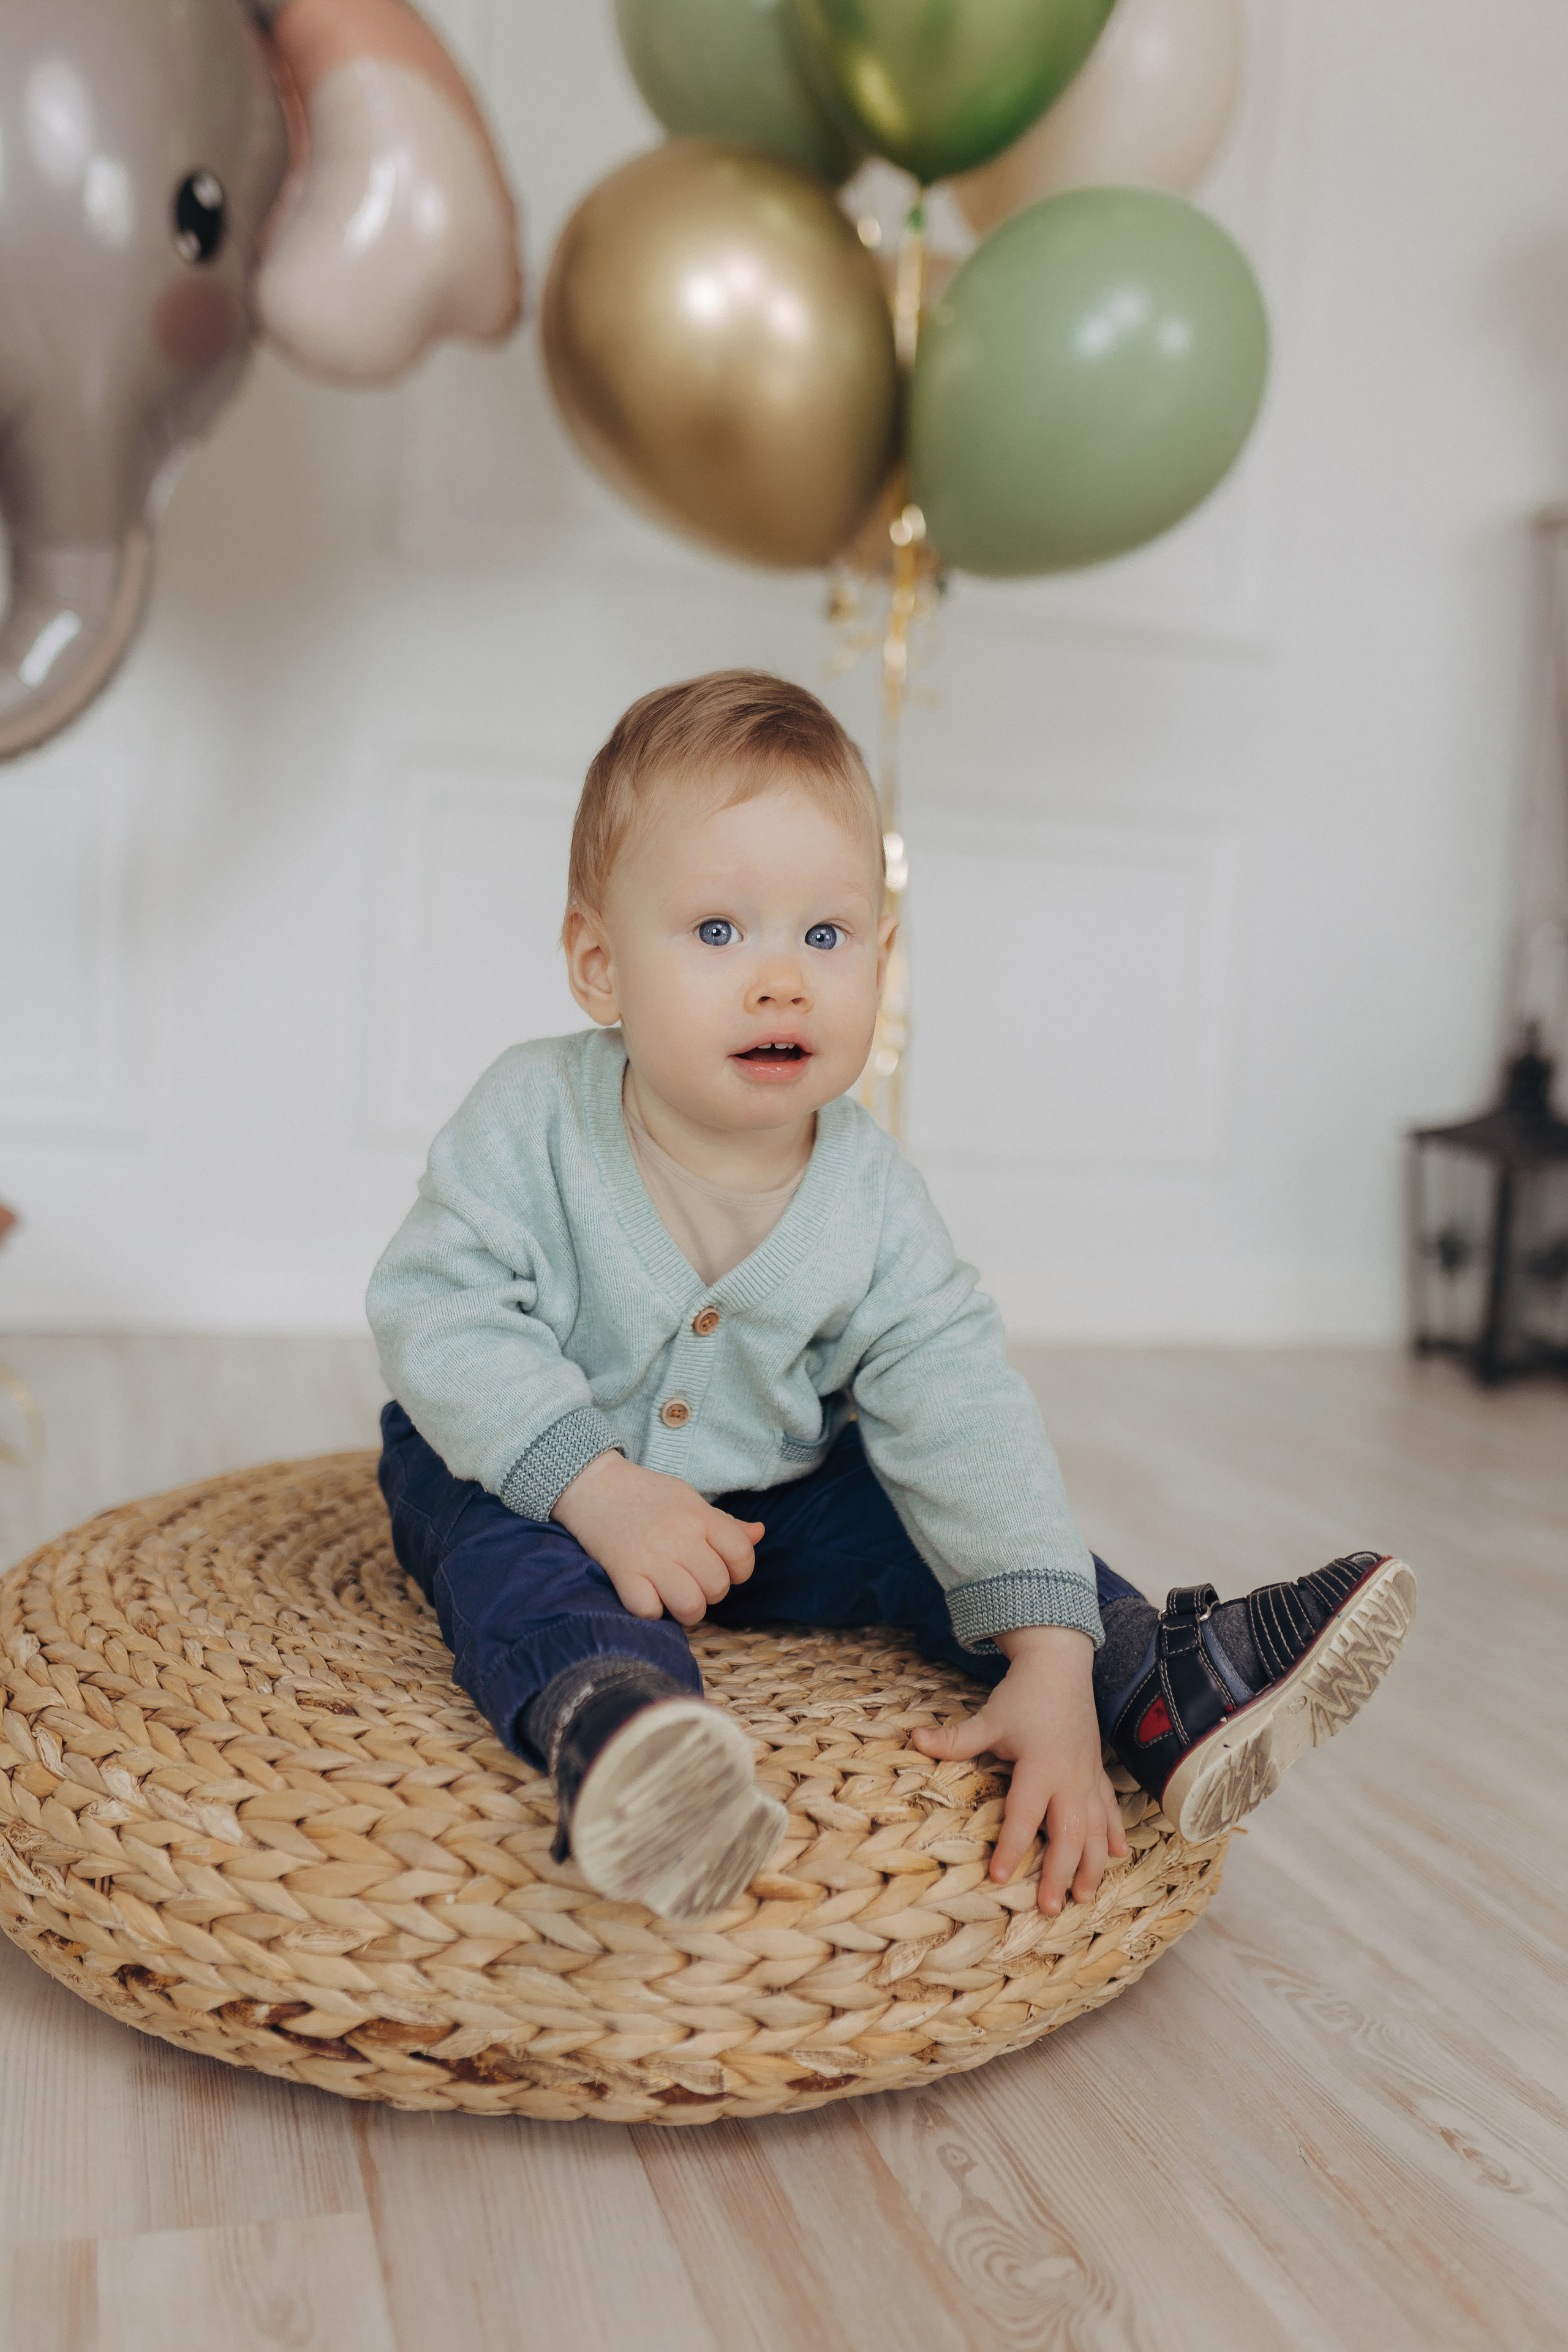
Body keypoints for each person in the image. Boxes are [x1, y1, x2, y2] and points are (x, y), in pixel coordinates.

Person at [368, 671, 1415, 1926]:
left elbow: (956, 1404)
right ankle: (626, 1737)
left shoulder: (869, 1197)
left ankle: (1146, 1678)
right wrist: (596, 1487)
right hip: (533, 1479)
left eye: (825, 935)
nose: (780, 981)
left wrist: (1047, 1646)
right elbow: (437, 1308)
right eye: (717, 932)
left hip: (772, 1508)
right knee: (506, 1560)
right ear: (599, 967)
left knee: (917, 1504)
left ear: (880, 955)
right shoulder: (528, 1119)